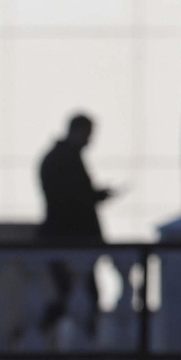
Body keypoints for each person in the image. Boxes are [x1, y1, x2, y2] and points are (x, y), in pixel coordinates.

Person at [38, 114, 113, 336]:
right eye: (88, 134)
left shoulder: (60, 157)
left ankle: (34, 332)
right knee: (79, 295)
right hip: (70, 238)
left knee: (76, 295)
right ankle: (34, 332)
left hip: (68, 237)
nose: (90, 140)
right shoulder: (64, 158)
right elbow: (71, 199)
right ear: (79, 131)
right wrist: (94, 196)